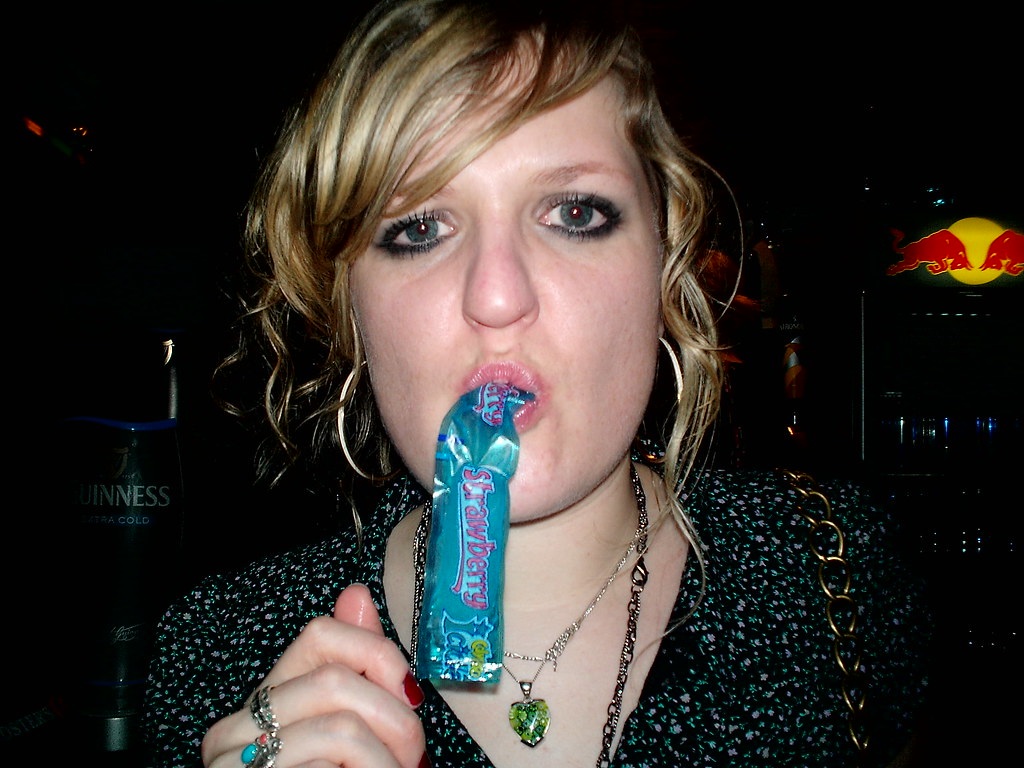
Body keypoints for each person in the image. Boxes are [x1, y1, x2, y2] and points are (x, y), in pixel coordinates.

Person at [143, 1, 930, 766]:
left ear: (665, 260)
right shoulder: (216, 655)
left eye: (575, 213)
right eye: (418, 228)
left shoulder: (834, 569)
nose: (496, 296)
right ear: (348, 305)